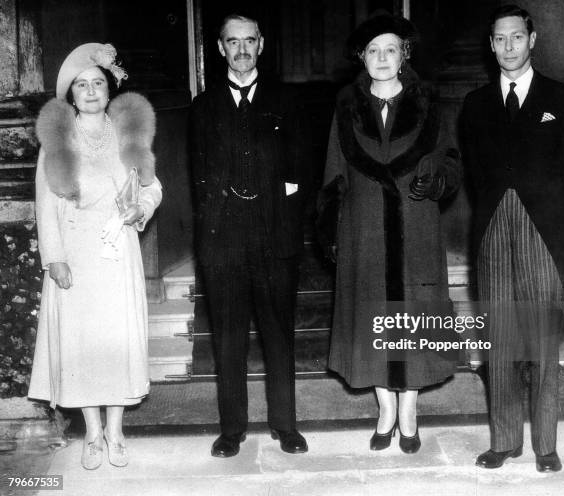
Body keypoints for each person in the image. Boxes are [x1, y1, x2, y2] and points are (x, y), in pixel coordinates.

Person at [318, 14, 460, 453]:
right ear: (362, 56)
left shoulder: (428, 102)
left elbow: (450, 161)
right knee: (370, 314)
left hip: (416, 225)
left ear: (405, 55)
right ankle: (384, 409)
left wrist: (435, 173)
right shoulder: (345, 104)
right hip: (364, 229)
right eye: (373, 50)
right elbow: (333, 171)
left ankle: (410, 410)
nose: (382, 58)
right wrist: (330, 230)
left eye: (391, 49)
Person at [462, 5, 564, 472]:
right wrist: (498, 210)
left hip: (544, 230)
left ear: (532, 40)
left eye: (517, 37)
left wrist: (552, 222)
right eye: (500, 39)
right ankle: (504, 441)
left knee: (541, 340)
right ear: (491, 45)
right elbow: (474, 172)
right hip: (494, 226)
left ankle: (545, 445)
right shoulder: (475, 104)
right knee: (499, 336)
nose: (509, 46)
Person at [28, 43, 162, 470]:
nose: (90, 92)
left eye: (98, 84)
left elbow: (153, 187)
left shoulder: (129, 134)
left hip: (117, 252)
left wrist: (141, 207)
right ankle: (92, 433)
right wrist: (55, 258)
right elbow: (44, 202)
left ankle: (117, 430)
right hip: (76, 254)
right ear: (71, 94)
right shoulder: (58, 141)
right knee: (83, 344)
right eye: (82, 85)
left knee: (116, 340)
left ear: (110, 90)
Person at [189, 14, 309, 457]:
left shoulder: (288, 101)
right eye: (232, 42)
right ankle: (231, 429)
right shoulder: (203, 107)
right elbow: (198, 177)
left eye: (249, 41)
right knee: (229, 338)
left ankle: (286, 425)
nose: (241, 49)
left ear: (262, 44)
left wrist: (285, 218)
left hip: (274, 235)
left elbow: (302, 171)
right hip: (224, 240)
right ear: (220, 48)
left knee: (279, 334)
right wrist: (208, 239)